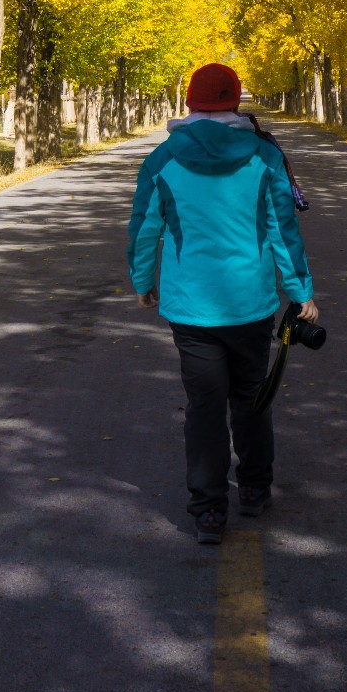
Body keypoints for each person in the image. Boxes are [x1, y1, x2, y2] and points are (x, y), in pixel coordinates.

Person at [126, 61, 318, 544]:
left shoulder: (163, 159)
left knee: (204, 405)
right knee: (252, 396)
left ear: (190, 102)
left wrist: (143, 279)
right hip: (250, 303)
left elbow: (146, 226)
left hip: (190, 307)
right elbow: (281, 228)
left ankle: (209, 510)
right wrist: (300, 292)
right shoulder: (263, 157)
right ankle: (254, 488)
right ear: (235, 101)